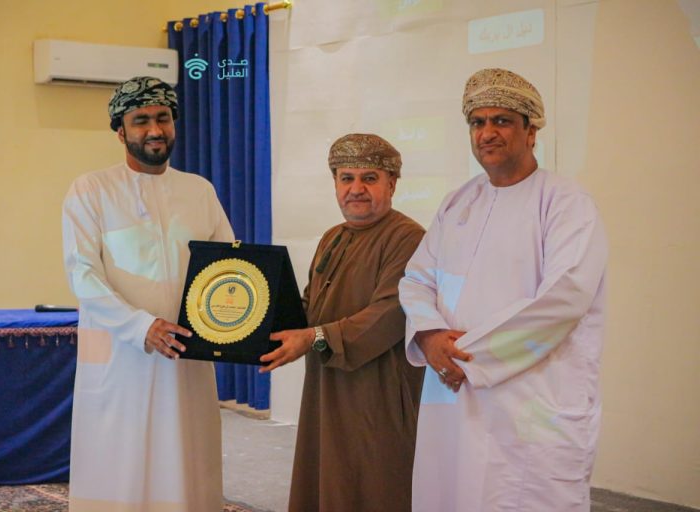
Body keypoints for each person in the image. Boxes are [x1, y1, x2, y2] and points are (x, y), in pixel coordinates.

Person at [399, 68, 608, 511]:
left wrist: (468, 358)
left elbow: (564, 298)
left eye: (502, 121)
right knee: (449, 493)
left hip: (529, 399)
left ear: (531, 132)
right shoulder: (458, 201)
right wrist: (430, 336)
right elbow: (417, 279)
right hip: (451, 393)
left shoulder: (566, 203)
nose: (487, 133)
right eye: (478, 122)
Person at [61, 76, 234, 511]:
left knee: (186, 462)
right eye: (141, 120)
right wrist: (141, 327)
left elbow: (228, 268)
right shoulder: (91, 190)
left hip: (187, 356)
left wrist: (239, 325)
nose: (155, 130)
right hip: (121, 359)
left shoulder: (199, 191)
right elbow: (83, 275)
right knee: (120, 466)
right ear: (120, 131)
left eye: (163, 118)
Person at [260, 134, 426, 511]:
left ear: (392, 184)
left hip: (377, 392)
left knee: (374, 482)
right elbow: (311, 306)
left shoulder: (408, 238)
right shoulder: (332, 237)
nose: (356, 189)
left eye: (369, 178)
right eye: (346, 178)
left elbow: (389, 314)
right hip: (327, 387)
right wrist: (258, 327)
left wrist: (313, 338)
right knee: (327, 477)